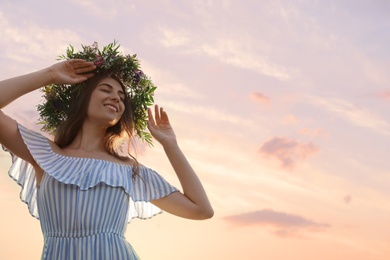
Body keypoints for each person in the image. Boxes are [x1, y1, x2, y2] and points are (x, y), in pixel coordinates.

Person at [0, 42, 213, 259]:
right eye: (105, 89)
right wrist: (50, 74)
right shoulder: (46, 155)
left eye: (121, 98)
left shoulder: (129, 170)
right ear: (83, 98)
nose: (116, 99)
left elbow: (201, 209)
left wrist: (170, 145)